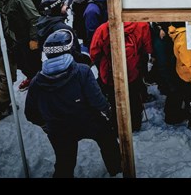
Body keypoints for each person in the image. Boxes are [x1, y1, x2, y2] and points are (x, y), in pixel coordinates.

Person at [25, 29, 122, 178]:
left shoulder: (36, 82)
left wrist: (47, 125)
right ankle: (117, 170)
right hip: (88, 122)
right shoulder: (82, 72)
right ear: (70, 49)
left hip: (59, 129)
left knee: (65, 162)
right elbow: (98, 100)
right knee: (109, 142)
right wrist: (108, 112)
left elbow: (30, 113)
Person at [88, 20, 153, 131]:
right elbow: (148, 48)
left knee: (114, 100)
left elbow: (94, 53)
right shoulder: (142, 25)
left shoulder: (103, 29)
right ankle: (135, 124)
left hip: (110, 73)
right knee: (134, 97)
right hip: (132, 70)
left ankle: (118, 126)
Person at [164, 21, 191, 129]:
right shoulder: (185, 38)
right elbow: (189, 65)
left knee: (186, 97)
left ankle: (179, 117)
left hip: (187, 74)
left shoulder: (185, 34)